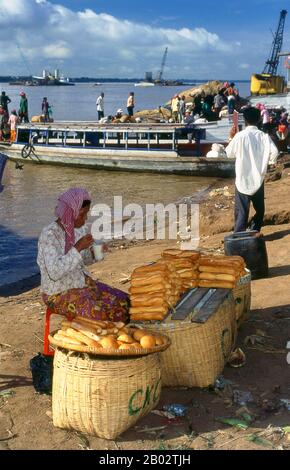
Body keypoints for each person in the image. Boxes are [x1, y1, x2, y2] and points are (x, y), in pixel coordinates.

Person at [37, 188, 129, 322]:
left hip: (82, 283)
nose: (85, 218)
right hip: (57, 293)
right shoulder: (49, 235)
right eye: (82, 214)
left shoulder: (79, 229)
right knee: (104, 314)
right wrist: (78, 247)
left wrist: (95, 252)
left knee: (127, 302)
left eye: (87, 213)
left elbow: (83, 260)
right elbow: (54, 273)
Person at [226, 107, 278, 233]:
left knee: (242, 212)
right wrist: (270, 163)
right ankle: (254, 230)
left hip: (242, 179)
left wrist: (231, 137)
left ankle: (239, 236)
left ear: (245, 120)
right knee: (260, 210)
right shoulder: (264, 136)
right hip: (258, 179)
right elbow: (275, 152)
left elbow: (229, 154)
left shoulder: (240, 136)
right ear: (259, 119)